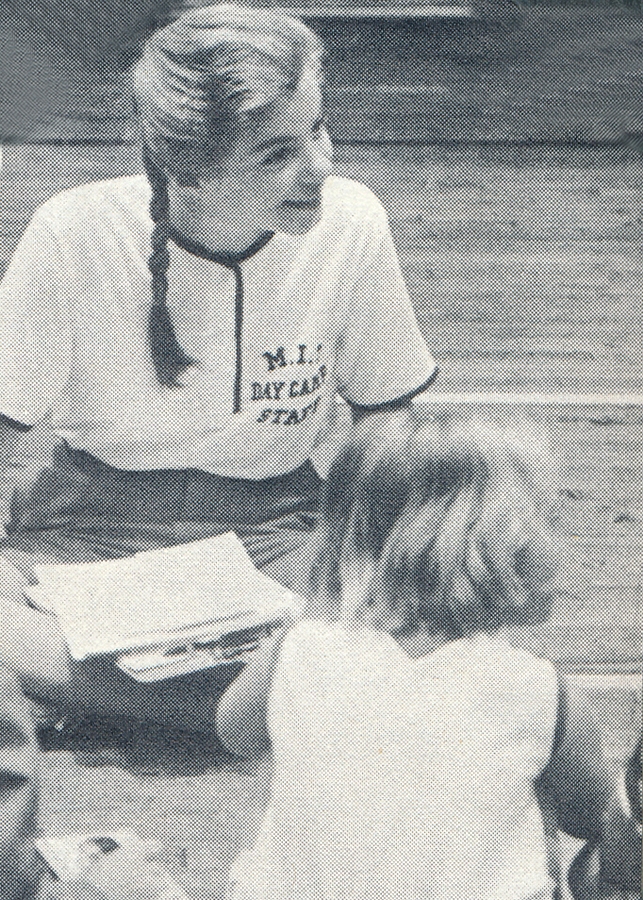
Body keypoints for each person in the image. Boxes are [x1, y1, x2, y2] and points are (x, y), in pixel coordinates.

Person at [0, 5, 436, 896]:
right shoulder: (73, 233)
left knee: (410, 639)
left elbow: (389, 429)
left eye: (317, 127)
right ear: (186, 174)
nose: (320, 164)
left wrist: (369, 567)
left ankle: (94, 685)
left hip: (276, 524)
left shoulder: (351, 224)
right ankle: (255, 705)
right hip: (87, 527)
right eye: (277, 152)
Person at [218, 411, 626, 900]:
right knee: (600, 850)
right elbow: (592, 809)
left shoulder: (300, 647)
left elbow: (235, 730)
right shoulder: (536, 684)